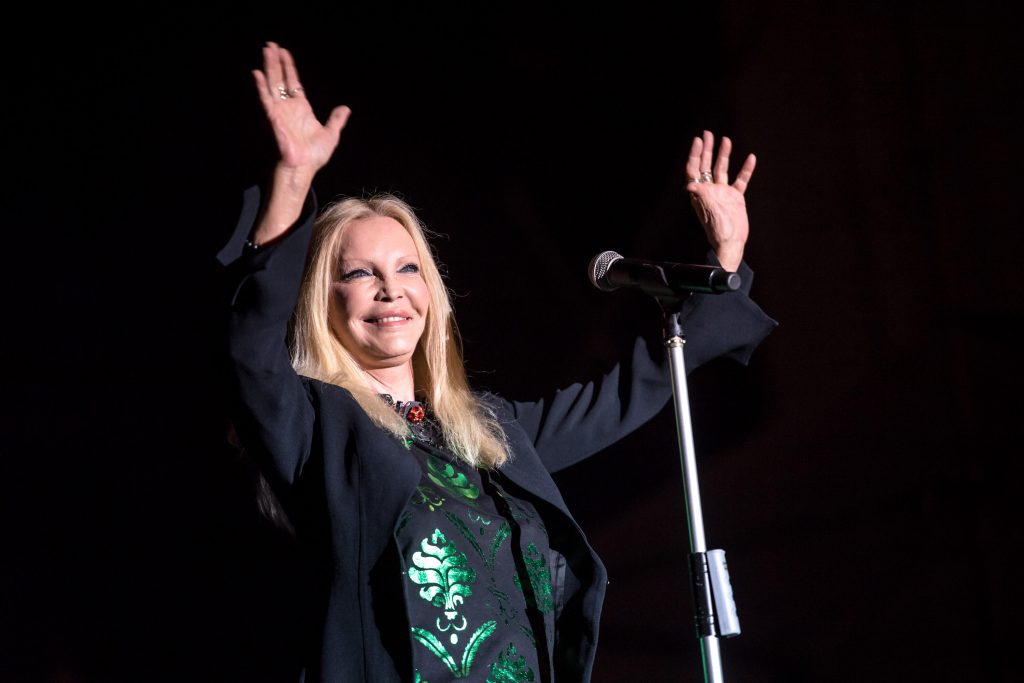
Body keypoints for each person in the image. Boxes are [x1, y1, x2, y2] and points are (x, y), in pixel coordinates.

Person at [217, 41, 777, 683]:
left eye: (407, 269)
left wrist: (724, 257)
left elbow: (637, 387)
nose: (391, 289)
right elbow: (251, 348)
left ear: (432, 293)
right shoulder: (316, 427)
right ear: (324, 300)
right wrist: (293, 179)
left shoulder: (490, 430)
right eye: (360, 273)